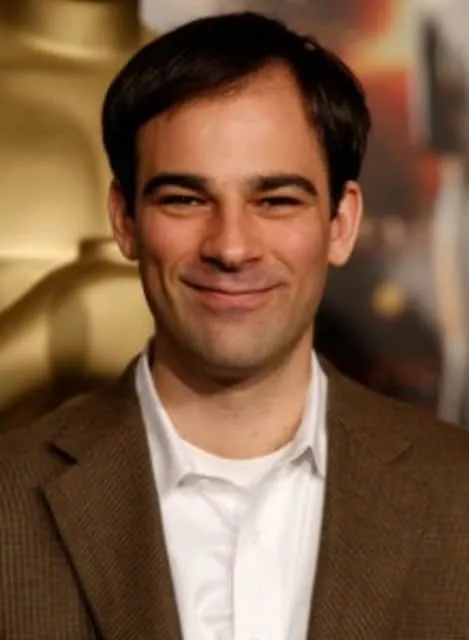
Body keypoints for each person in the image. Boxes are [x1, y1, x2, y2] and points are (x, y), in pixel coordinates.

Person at [1, 11, 469, 640]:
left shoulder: (458, 497)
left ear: (341, 224)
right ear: (124, 220)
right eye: (185, 199)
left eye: (275, 201)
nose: (230, 246)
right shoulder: (9, 500)